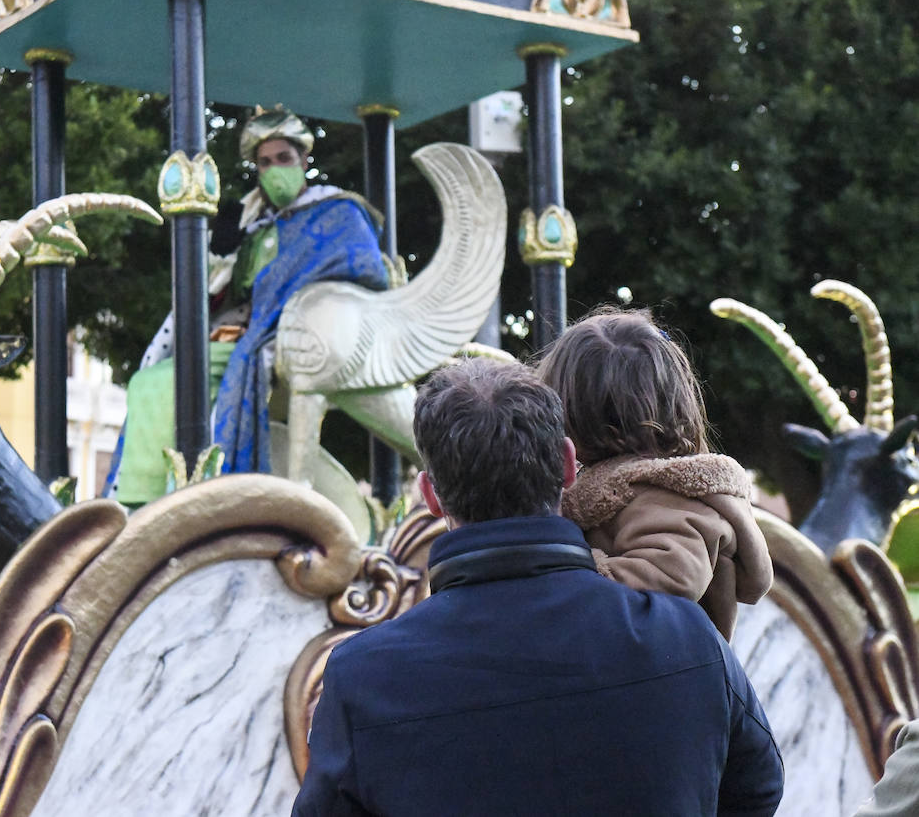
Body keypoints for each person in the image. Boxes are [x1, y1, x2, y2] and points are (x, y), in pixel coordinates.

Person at [291, 359, 783, 817]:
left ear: (431, 496)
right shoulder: (687, 634)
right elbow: (758, 789)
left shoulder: (365, 676)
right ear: (567, 466)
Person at [105, 108, 389, 501]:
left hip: (301, 341)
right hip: (237, 339)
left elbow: (365, 274)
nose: (275, 170)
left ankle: (185, 496)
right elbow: (222, 295)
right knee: (148, 382)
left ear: (304, 160)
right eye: (265, 162)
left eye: (283, 159)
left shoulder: (339, 213)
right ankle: (141, 500)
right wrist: (222, 255)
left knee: (167, 383)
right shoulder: (251, 224)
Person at [536, 308, 773, 640]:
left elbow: (677, 576)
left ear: (570, 409)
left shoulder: (669, 494)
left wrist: (568, 571)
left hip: (665, 676)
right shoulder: (624, 487)